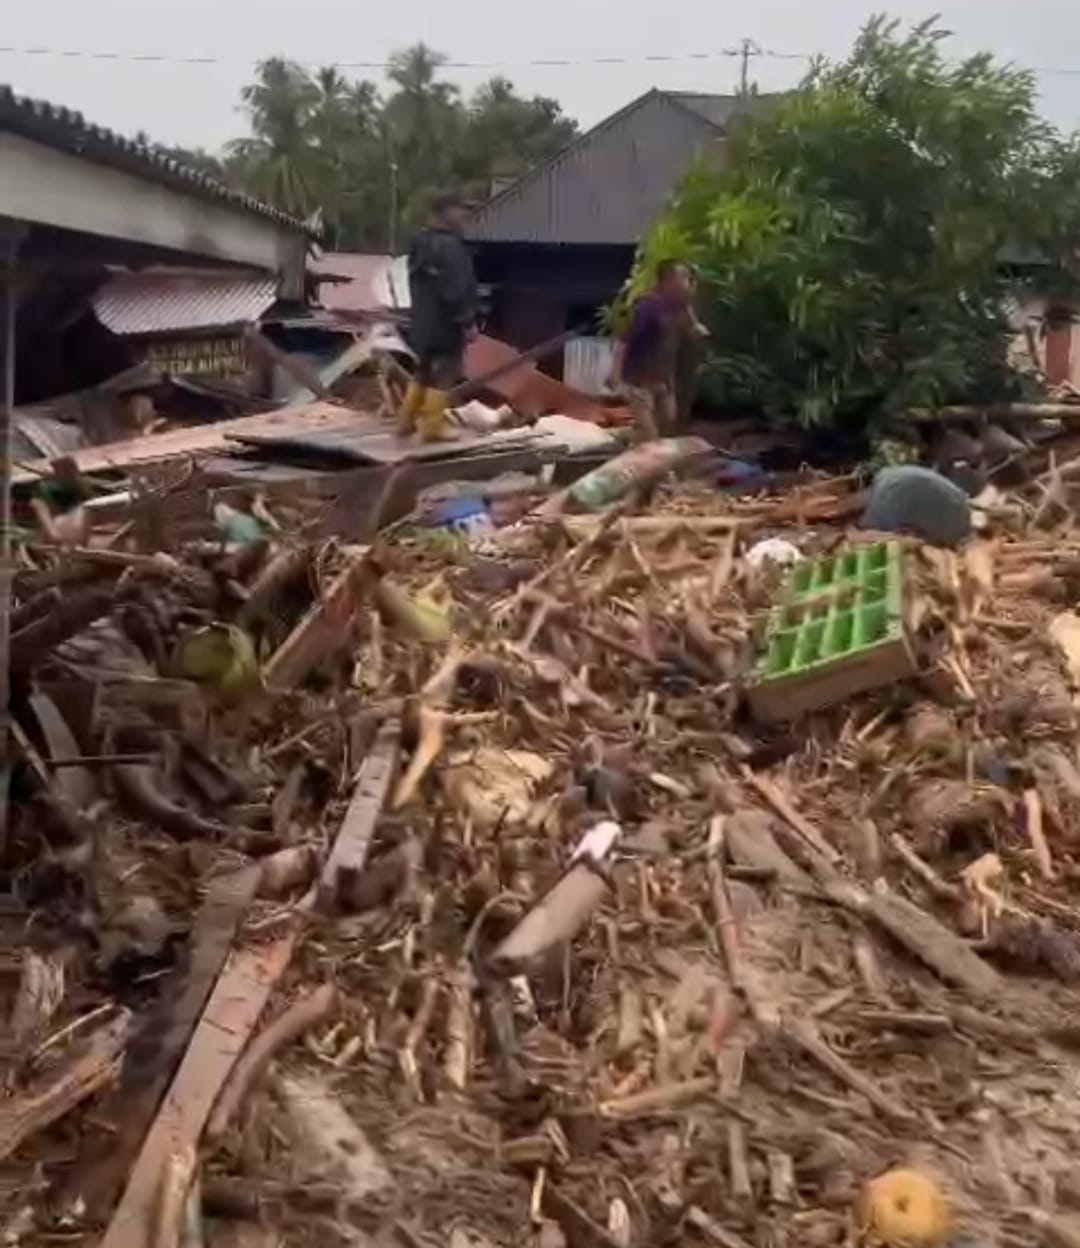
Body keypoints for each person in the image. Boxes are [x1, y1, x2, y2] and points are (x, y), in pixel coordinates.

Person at [398, 191, 479, 442]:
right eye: (460, 210)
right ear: (444, 213)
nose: (465, 215)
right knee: (444, 374)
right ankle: (433, 429)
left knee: (422, 371)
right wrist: (466, 321)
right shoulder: (450, 246)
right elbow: (454, 288)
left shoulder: (419, 242)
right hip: (446, 323)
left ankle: (406, 422)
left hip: (422, 322)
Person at [608, 260, 709, 442]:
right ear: (668, 282)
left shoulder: (680, 305)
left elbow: (691, 322)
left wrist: (696, 328)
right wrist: (615, 373)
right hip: (639, 380)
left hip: (664, 378)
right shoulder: (647, 307)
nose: (689, 282)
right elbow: (624, 341)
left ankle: (626, 439)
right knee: (650, 432)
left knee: (668, 424)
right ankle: (625, 441)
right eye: (684, 278)